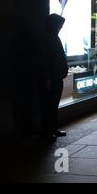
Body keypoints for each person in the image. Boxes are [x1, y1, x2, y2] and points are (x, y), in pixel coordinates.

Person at [40, 13, 69, 141]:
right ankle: (47, 131)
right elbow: (44, 61)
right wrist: (46, 78)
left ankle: (52, 128)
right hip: (52, 78)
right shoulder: (47, 39)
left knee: (53, 105)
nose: (60, 28)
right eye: (59, 25)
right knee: (49, 106)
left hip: (57, 77)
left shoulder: (53, 37)